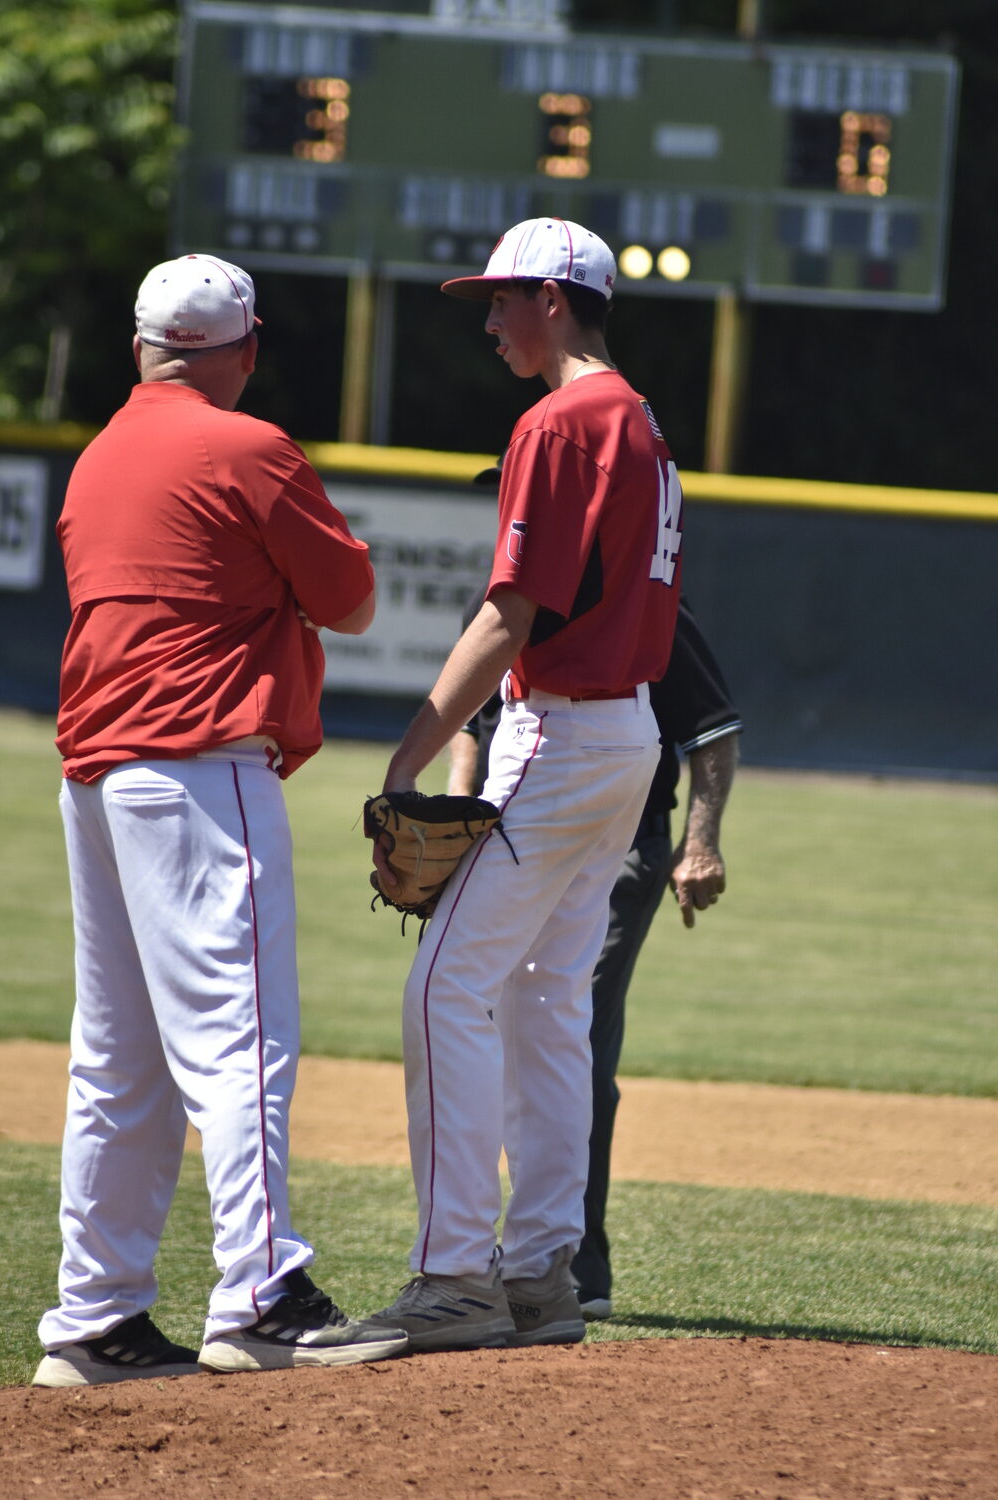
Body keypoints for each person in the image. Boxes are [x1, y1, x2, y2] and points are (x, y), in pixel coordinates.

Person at [34, 254, 408, 1387]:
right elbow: (350, 602)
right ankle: (260, 1294)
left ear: (139, 349)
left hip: (97, 773)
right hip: (201, 764)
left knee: (119, 1059)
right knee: (241, 1040)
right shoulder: (249, 447)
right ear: (241, 349)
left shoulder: (97, 457)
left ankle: (96, 1318)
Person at [363, 217, 684, 1353]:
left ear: (556, 297)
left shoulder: (557, 419)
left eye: (502, 298)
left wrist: (409, 753)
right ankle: (543, 1270)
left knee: (445, 990)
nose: (490, 318)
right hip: (630, 741)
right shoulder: (639, 419)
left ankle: (454, 1275)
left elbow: (509, 616)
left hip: (559, 733)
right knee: (547, 1000)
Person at [449, 572, 741, 1319]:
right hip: (512, 838)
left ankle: (569, 1261)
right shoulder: (502, 595)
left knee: (564, 1027)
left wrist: (698, 844)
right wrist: (457, 801)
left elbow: (713, 725)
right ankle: (519, 1257)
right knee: (497, 1029)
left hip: (620, 849)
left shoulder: (642, 603)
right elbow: (474, 715)